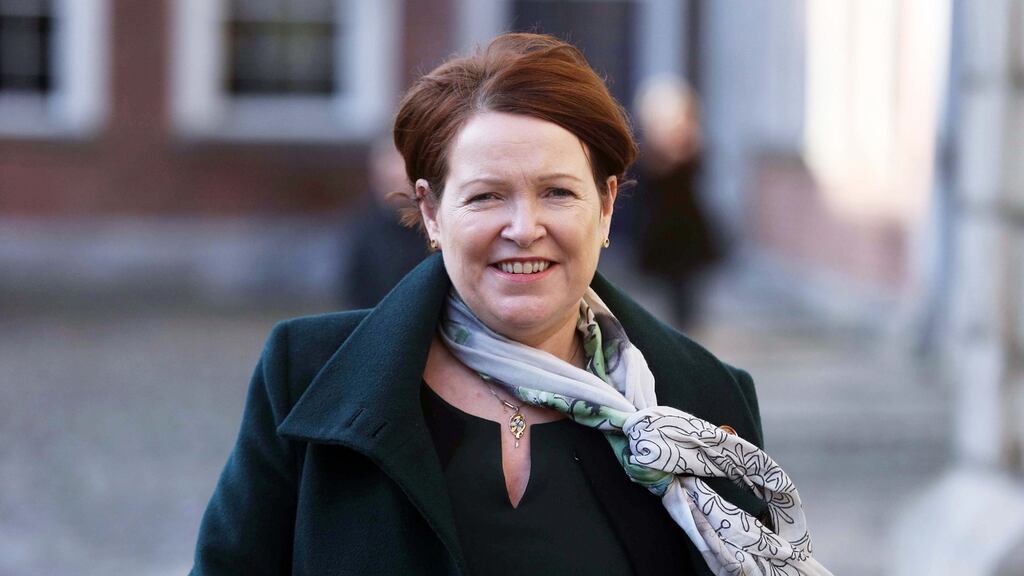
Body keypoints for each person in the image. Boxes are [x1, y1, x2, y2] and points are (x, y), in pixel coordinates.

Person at [190, 33, 831, 576]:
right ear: (431, 212)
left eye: (557, 193)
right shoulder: (304, 376)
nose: (524, 229)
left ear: (606, 206)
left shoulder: (705, 401)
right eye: (486, 196)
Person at [633, 76, 722, 329]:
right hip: (662, 229)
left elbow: (696, 171)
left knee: (688, 288)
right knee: (669, 288)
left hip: (688, 228)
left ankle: (686, 327)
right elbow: (648, 181)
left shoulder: (691, 145)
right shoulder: (650, 150)